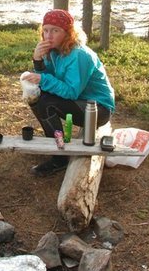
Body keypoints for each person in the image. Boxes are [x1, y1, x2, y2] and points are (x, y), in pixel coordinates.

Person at [22, 9, 115, 177]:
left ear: (68, 33)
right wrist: (38, 60)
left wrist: (42, 79)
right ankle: (57, 144)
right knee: (36, 97)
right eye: (46, 30)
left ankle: (60, 158)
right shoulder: (56, 51)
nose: (48, 35)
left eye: (55, 30)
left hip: (98, 110)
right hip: (82, 103)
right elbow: (50, 80)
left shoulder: (79, 55)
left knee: (46, 102)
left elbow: (70, 91)